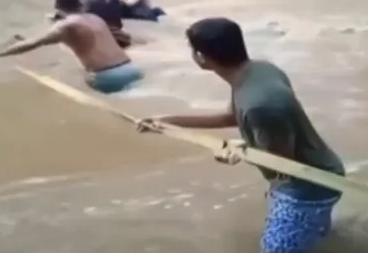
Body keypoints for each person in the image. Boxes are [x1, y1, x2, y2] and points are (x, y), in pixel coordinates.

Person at [137, 17, 346, 253]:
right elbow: (232, 117)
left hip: (308, 189)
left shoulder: (260, 104)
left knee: (275, 249)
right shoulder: (260, 71)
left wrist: (238, 152)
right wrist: (168, 122)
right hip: (324, 172)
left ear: (201, 57)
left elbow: (281, 167)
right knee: (314, 237)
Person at [0, 0, 142, 93]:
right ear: (80, 4)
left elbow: (32, 44)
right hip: (133, 70)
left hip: (107, 78)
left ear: (57, 8)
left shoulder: (65, 27)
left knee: (69, 77)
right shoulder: (96, 18)